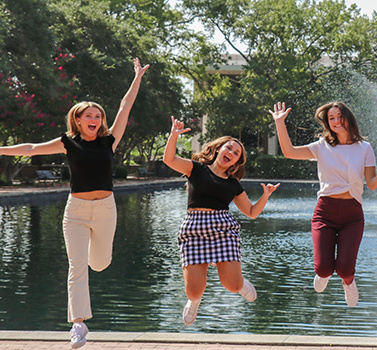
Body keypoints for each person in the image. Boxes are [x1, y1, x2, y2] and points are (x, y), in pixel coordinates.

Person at [0, 58, 148, 348]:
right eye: (89, 115)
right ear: (78, 120)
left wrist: (137, 77)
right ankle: (78, 324)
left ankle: (95, 262)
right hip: (76, 212)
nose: (95, 119)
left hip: (105, 210)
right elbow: (30, 148)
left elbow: (125, 107)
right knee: (76, 267)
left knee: (100, 264)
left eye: (98, 115)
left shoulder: (109, 141)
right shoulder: (68, 142)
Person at [269, 101, 377, 307]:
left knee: (346, 269)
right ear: (327, 123)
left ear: (349, 118)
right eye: (331, 118)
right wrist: (280, 123)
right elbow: (289, 152)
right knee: (323, 269)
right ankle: (324, 274)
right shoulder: (322, 146)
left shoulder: (365, 148)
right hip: (325, 212)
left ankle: (349, 282)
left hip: (352, 215)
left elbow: (371, 184)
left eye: (340, 116)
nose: (336, 121)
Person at [163, 117, 280, 325]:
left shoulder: (233, 184)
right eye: (229, 148)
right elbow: (169, 160)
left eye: (236, 154)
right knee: (194, 290)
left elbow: (251, 212)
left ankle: (240, 283)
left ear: (236, 162)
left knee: (232, 286)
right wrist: (173, 136)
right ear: (218, 149)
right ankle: (194, 301)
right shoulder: (196, 169)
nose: (231, 153)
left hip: (222, 229)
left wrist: (265, 195)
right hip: (193, 229)